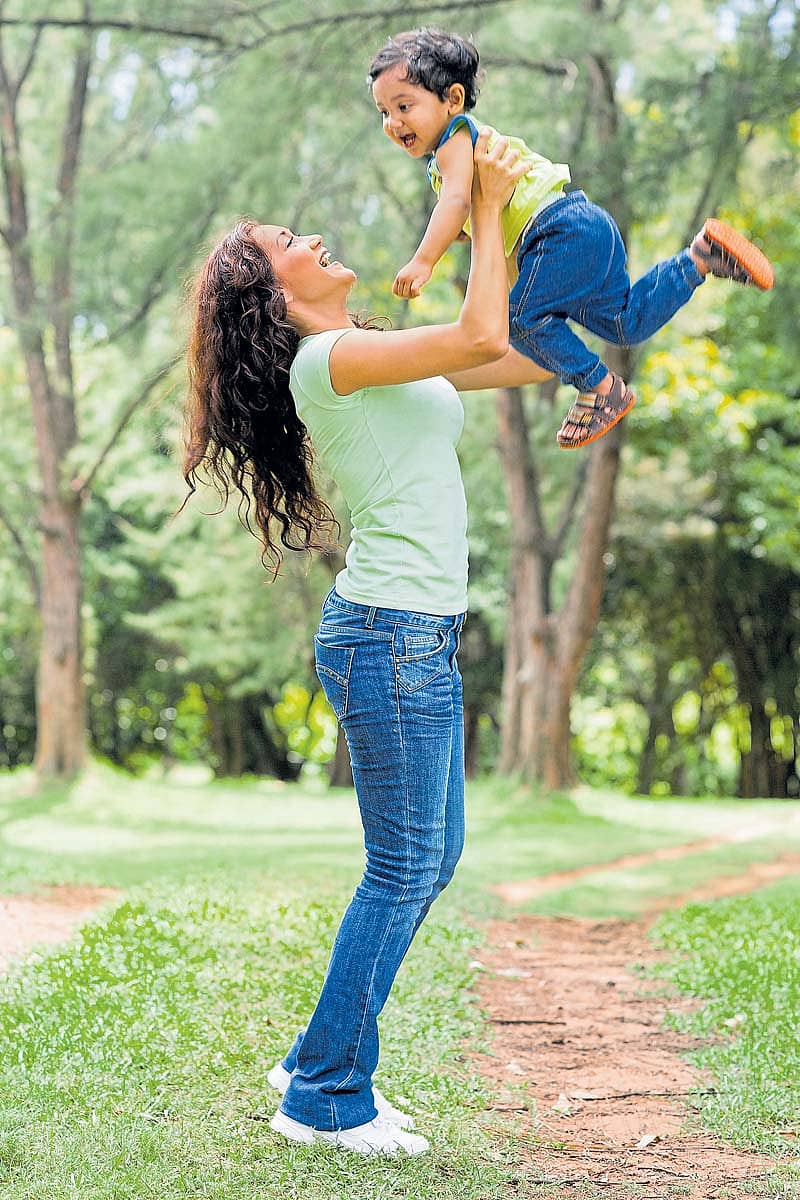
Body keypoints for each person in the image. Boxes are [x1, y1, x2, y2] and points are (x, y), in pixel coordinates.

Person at [183, 130, 551, 1157]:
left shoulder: (372, 350)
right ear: (272, 291)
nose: (317, 236)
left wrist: (550, 240)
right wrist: (473, 201)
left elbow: (508, 348)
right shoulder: (329, 359)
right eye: (292, 238)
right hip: (386, 636)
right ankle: (324, 1097)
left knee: (432, 861)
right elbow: (479, 334)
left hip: (412, 636)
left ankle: (315, 1054)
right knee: (401, 868)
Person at [368, 28, 775, 450]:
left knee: (521, 320)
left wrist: (423, 261)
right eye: (383, 112)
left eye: (403, 106)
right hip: (586, 227)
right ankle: (700, 258)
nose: (393, 123)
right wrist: (462, 230)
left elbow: (454, 203)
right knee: (624, 323)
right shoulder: (459, 149)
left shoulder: (454, 140)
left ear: (452, 99)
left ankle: (599, 388)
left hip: (555, 233)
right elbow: (468, 210)